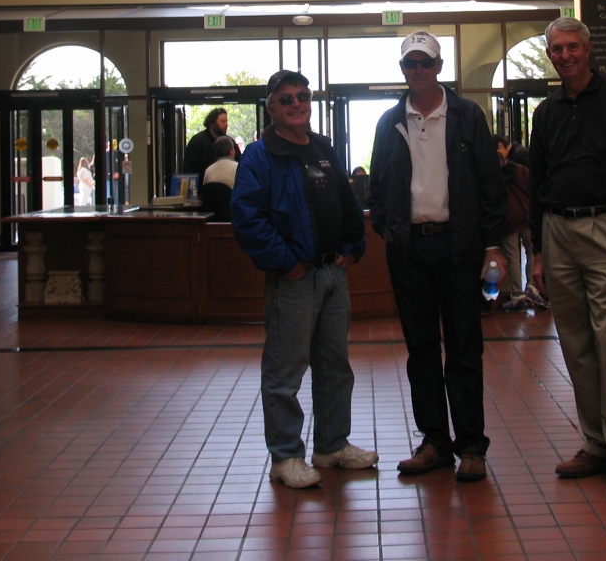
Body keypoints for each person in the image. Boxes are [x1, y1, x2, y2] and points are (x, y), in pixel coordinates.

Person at [368, 31, 508, 482]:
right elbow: (378, 189)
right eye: (410, 63)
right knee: (421, 350)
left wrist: (492, 246)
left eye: (424, 63)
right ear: (402, 69)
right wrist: (392, 234)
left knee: (465, 348)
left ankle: (471, 446)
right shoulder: (390, 121)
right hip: (410, 251)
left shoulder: (467, 116)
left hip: (459, 247)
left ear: (439, 68)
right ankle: (434, 442)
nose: (417, 71)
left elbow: (491, 185)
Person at [230, 69, 377, 489]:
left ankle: (331, 446)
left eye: (303, 97)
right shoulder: (260, 155)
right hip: (294, 279)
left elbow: (347, 203)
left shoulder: (322, 147)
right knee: (285, 372)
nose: (297, 104)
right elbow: (247, 217)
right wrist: (286, 263)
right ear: (272, 108)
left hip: (333, 275)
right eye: (287, 99)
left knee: (335, 366)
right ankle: (285, 457)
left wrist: (352, 248)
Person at [527, 16, 606, 501]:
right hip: (558, 232)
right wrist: (539, 249)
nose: (565, 56)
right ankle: (597, 445)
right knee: (575, 345)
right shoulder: (546, 113)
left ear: (588, 48)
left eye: (572, 47)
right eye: (557, 49)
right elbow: (538, 184)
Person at [495, 136, 546, 311]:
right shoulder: (522, 169)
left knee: (513, 256)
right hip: (527, 214)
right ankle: (532, 286)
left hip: (509, 218)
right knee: (531, 251)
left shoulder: (496, 175)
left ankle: (517, 294)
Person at [184, 108, 241, 187]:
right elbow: (189, 170)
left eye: (226, 121)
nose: (226, 124)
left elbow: (240, 162)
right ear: (212, 123)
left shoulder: (230, 142)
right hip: (203, 191)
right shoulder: (197, 141)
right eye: (222, 121)